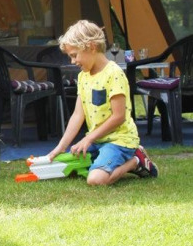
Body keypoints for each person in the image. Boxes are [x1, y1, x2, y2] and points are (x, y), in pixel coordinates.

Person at [46, 20, 158, 185]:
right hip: (98, 141)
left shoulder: (114, 74)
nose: (72, 61)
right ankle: (105, 159)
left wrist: (88, 139)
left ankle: (136, 160)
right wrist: (61, 146)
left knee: (95, 179)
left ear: (91, 47)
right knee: (70, 166)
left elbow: (118, 117)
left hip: (119, 140)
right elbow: (78, 115)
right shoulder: (83, 76)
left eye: (74, 55)